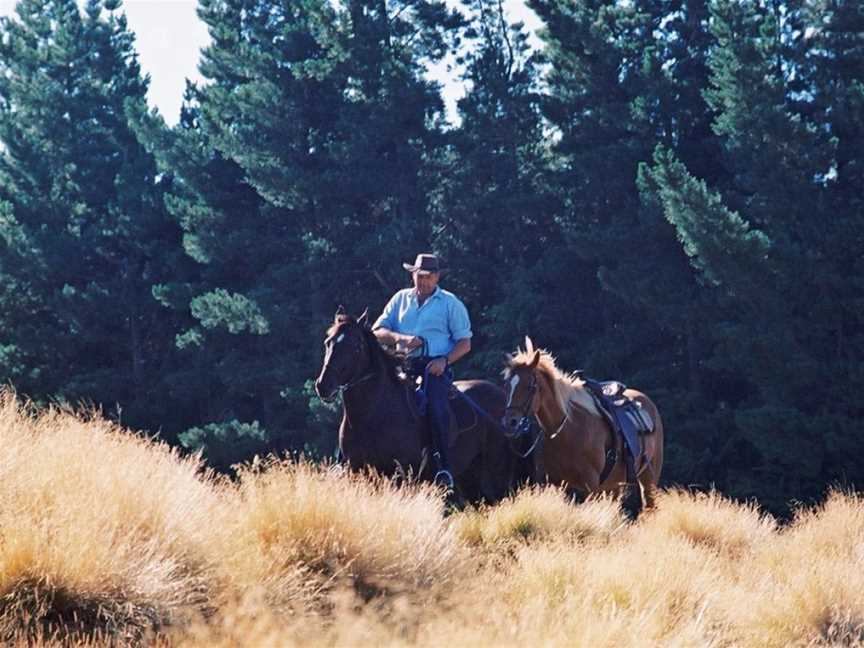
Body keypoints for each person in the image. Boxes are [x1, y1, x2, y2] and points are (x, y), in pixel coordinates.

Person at [372, 253, 472, 489]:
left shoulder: (450, 304)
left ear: (437, 277)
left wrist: (444, 361)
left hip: (433, 368)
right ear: (413, 275)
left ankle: (443, 468)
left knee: (437, 408)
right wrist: (400, 338)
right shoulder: (400, 299)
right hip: (400, 365)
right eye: (419, 276)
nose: (423, 281)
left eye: (428, 276)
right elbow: (377, 331)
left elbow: (464, 343)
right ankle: (344, 458)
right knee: (366, 396)